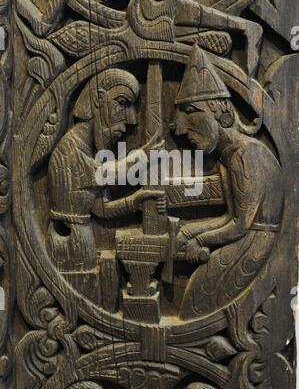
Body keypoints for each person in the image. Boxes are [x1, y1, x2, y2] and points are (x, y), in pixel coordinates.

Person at [173, 45, 283, 319]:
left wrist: (196, 235)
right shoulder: (227, 157)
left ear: (216, 109)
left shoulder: (246, 154)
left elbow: (239, 226)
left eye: (189, 112)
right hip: (244, 238)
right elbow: (229, 218)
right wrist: (189, 233)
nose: (182, 128)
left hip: (256, 245)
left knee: (199, 294)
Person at [47, 69, 163, 272]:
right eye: (122, 103)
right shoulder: (69, 147)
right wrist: (141, 156)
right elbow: (105, 173)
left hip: (81, 241)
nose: (131, 119)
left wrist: (135, 201)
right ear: (99, 98)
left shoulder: (89, 152)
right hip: (66, 245)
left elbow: (101, 209)